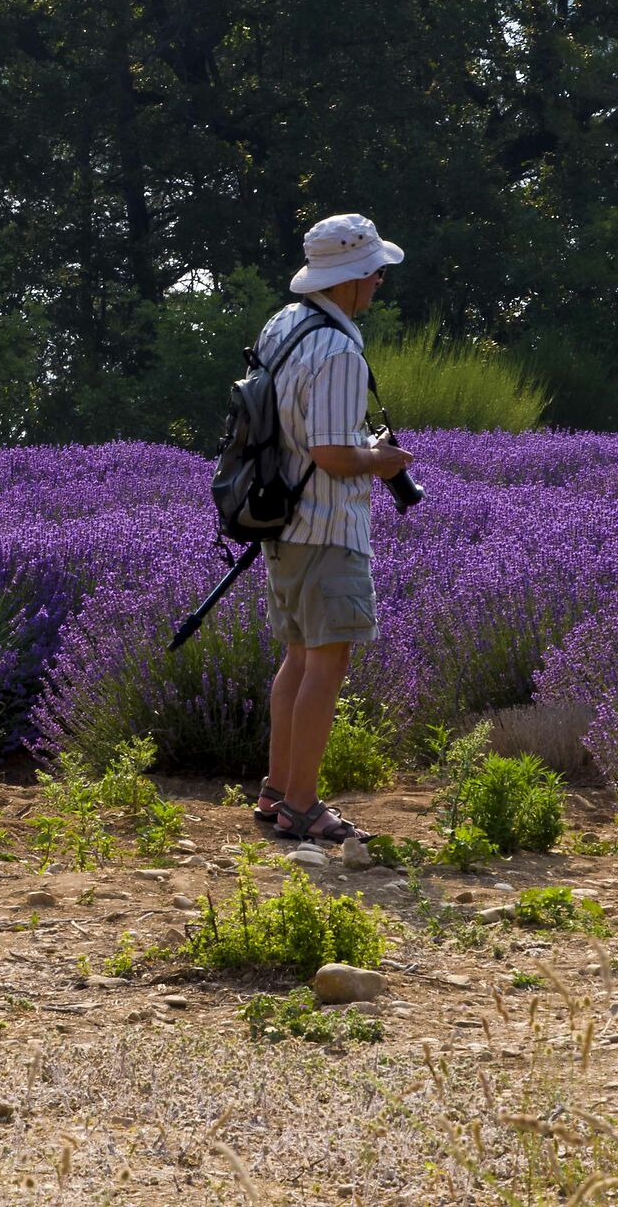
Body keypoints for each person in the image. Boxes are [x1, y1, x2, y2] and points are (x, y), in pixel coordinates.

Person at [247, 213, 414, 846]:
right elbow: (333, 455)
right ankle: (303, 806)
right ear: (348, 278)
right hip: (326, 525)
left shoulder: (284, 326)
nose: (378, 282)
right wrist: (383, 460)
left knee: (297, 658)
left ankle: (277, 790)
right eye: (373, 271)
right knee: (328, 662)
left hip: (282, 524)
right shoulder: (340, 350)